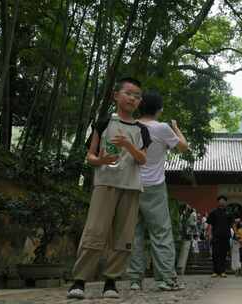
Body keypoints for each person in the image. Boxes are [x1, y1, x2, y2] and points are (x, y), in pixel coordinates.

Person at [67, 77, 151, 299]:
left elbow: (142, 159)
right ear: (116, 95)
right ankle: (79, 281)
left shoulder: (142, 130)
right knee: (95, 230)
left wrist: (128, 145)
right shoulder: (103, 123)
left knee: (123, 235)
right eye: (128, 93)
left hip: (131, 186)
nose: (133, 98)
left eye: (137, 96)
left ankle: (111, 282)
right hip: (105, 183)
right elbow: (91, 156)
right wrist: (101, 161)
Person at [127, 91, 189, 292]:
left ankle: (135, 279)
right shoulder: (162, 128)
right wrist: (176, 128)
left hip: (131, 184)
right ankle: (165, 279)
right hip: (154, 186)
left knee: (134, 233)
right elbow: (183, 147)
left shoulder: (131, 126)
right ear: (159, 110)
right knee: (160, 232)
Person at [206, 195, 233, 278]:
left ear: (225, 202)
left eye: (223, 201)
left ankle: (223, 271)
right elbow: (210, 224)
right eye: (220, 201)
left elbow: (232, 224)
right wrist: (209, 234)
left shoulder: (229, 213)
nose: (222, 202)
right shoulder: (213, 212)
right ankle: (215, 271)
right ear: (218, 202)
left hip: (225, 236)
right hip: (216, 236)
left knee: (223, 254)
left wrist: (236, 234)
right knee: (215, 254)